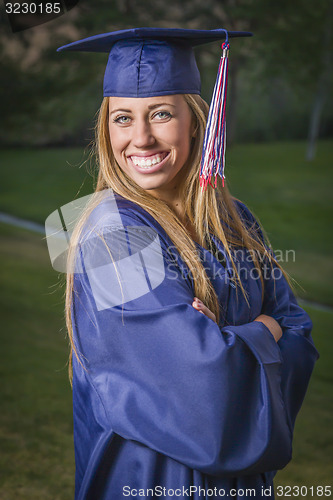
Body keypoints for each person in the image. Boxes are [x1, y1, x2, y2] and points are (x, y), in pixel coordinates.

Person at [56, 28, 319, 499]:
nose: (141, 138)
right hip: (147, 478)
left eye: (160, 114)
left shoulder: (236, 222)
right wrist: (263, 330)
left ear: (195, 121)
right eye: (122, 118)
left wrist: (230, 339)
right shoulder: (110, 237)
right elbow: (201, 383)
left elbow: (299, 330)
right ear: (105, 128)